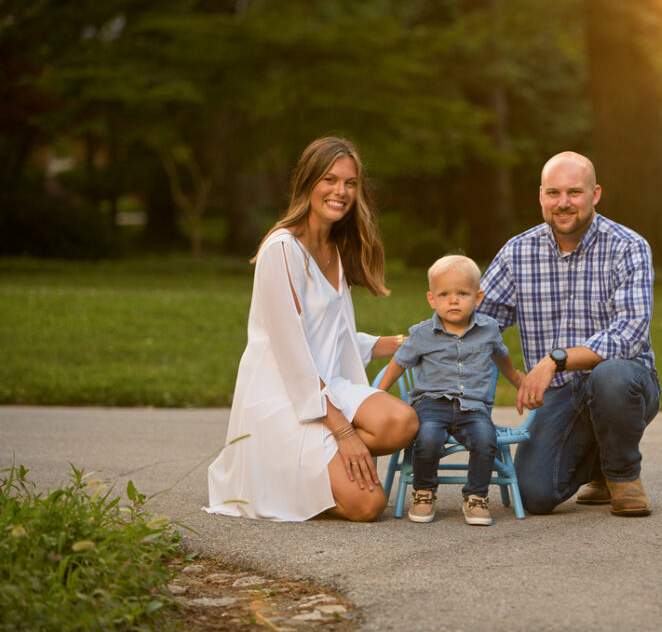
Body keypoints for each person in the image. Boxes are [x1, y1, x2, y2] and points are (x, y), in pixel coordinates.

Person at [205, 136, 418, 522]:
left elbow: (329, 336)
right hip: (283, 397)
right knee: (369, 505)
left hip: (324, 384)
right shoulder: (282, 249)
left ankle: (323, 466)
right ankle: (284, 474)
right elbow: (293, 352)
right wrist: (344, 433)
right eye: (330, 180)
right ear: (307, 182)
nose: (341, 191)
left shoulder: (335, 248)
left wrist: (400, 342)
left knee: (401, 422)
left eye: (350, 183)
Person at [478, 151, 660, 517]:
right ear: (541, 196)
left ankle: (623, 476)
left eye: (574, 192)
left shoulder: (628, 246)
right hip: (560, 398)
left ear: (595, 194)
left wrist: (554, 360)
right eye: (553, 193)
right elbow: (480, 324)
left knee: (611, 376)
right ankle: (598, 468)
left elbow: (629, 334)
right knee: (533, 495)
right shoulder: (518, 252)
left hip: (625, 384)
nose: (563, 204)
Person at [376, 255, 523, 526]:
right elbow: (398, 363)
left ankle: (476, 496)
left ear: (477, 298)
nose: (453, 300)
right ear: (432, 299)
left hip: (474, 407)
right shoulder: (422, 334)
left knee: (484, 438)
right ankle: (424, 491)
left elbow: (501, 355)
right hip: (431, 404)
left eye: (462, 293)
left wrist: (515, 379)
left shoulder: (488, 330)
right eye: (444, 294)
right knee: (428, 437)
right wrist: (380, 393)